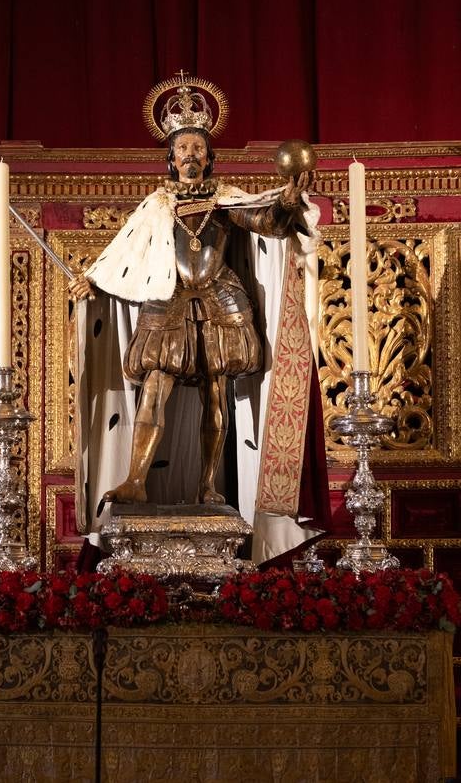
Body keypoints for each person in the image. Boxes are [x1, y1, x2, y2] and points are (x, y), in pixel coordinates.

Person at [70, 75, 330, 564]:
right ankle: (137, 479)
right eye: (182, 147)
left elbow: (263, 221)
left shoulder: (226, 198)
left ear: (209, 156)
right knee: (155, 385)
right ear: (171, 157)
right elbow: (124, 254)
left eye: (198, 146)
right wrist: (95, 281)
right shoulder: (156, 205)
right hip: (166, 299)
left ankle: (211, 483)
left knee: (217, 391)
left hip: (221, 301)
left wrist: (288, 202)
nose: (190, 154)